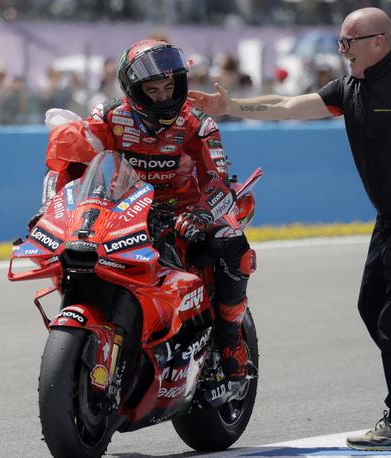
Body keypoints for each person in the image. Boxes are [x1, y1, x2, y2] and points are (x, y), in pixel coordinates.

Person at [188, 7, 391, 450]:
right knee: (372, 309)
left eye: (349, 42)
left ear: (378, 41)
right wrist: (230, 106)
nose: (342, 50)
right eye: (340, 42)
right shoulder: (349, 87)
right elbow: (291, 105)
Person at [31, 39, 254, 382]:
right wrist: (51, 209)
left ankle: (229, 340)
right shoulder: (107, 116)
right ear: (134, 90)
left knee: (233, 243)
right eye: (152, 90)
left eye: (169, 87)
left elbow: (219, 181)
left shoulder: (198, 123)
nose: (163, 97)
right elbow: (69, 164)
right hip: (123, 212)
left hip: (183, 216)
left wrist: (201, 214)